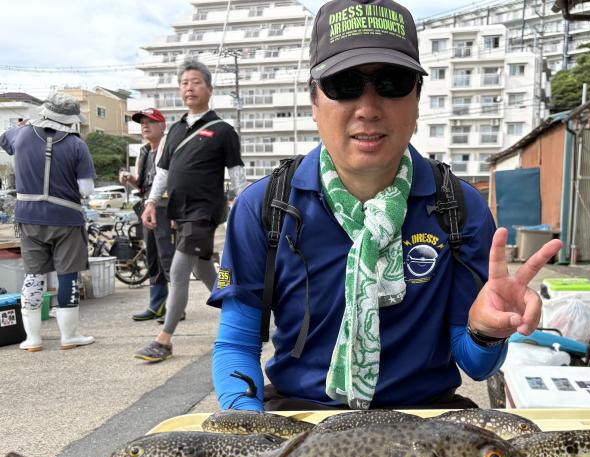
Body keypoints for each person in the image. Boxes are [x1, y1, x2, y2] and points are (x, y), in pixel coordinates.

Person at [208, 0, 562, 411]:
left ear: (417, 99)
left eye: (392, 82)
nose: (369, 108)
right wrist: (253, 429)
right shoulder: (266, 207)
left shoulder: (459, 207)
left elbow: (477, 365)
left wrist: (487, 331)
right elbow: (236, 343)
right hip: (302, 418)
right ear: (314, 101)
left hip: (426, 423)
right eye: (344, 83)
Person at [134, 60, 246, 362]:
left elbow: (236, 171)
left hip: (204, 211)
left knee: (179, 270)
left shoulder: (222, 130)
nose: (189, 87)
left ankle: (164, 340)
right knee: (203, 268)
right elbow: (162, 172)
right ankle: (242, 313)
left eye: (196, 81)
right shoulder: (175, 130)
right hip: (178, 212)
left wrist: (241, 201)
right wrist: (151, 203)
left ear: (209, 88)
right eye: (184, 83)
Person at [0, 91, 96, 352]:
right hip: (66, 218)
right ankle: (69, 335)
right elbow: (86, 189)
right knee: (67, 276)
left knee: (33, 276)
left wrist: (23, 128)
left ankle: (32, 339)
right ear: (69, 119)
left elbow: (4, 141)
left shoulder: (21, 134)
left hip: (28, 216)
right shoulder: (77, 145)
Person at [119, 107, 176, 322]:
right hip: (147, 207)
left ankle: (175, 306)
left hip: (166, 207)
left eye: (150, 121)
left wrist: (176, 212)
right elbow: (142, 185)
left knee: (168, 257)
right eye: (142, 122)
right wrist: (129, 179)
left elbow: (176, 181)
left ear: (162, 126)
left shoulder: (170, 148)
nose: (144, 125)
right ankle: (156, 305)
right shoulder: (143, 152)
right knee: (152, 257)